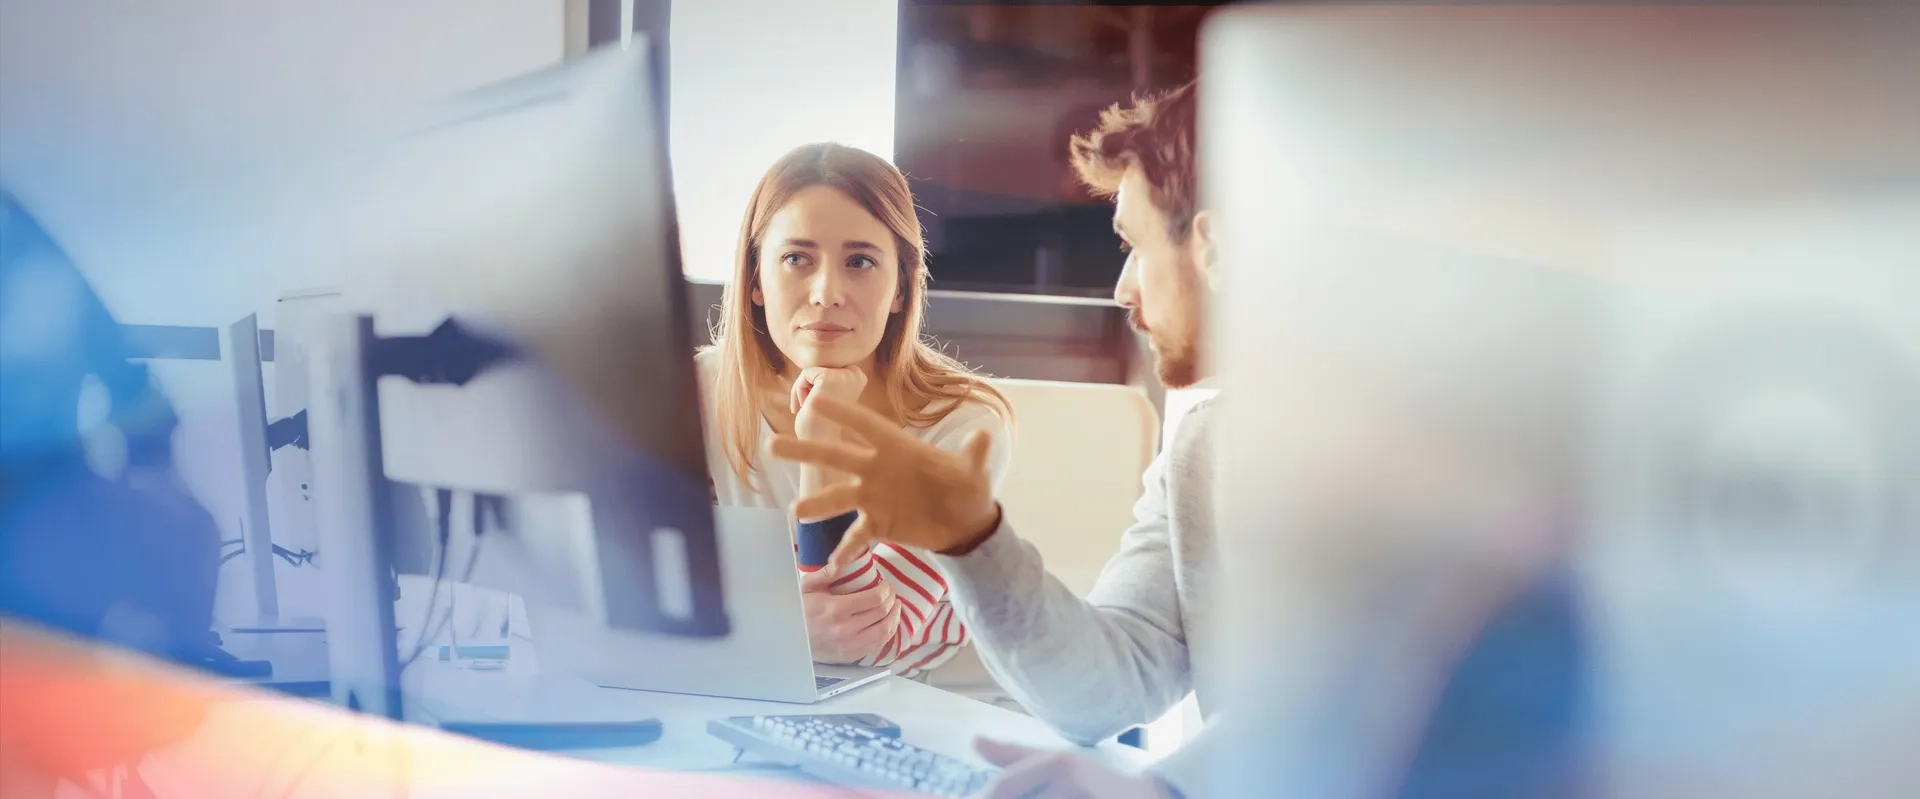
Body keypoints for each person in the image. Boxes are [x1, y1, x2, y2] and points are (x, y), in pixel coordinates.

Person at [769, 84, 1587, 798]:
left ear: (1216, 247)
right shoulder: (1202, 450)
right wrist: (968, 535)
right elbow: (1105, 689)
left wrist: (1165, 787)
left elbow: (1377, 692)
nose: (1123, 287)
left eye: (1131, 245)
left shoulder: (1444, 437)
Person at [698, 142, 1014, 678]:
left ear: (900, 287)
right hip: (756, 681)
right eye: (797, 259)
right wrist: (779, 626)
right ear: (754, 280)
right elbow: (641, 590)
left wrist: (823, 436)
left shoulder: (963, 425)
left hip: (930, 700)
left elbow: (860, 643)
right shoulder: (697, 390)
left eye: (860, 261)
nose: (826, 293)